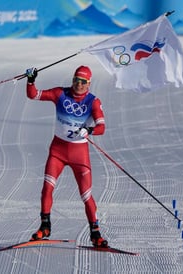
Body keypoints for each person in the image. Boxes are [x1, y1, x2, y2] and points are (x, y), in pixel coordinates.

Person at [25, 65, 108, 248]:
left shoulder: (93, 102)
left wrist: (90, 129)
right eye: (77, 80)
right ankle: (45, 227)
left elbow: (102, 126)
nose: (79, 84)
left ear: (89, 84)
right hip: (58, 152)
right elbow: (33, 95)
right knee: (47, 188)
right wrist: (31, 80)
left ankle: (95, 234)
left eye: (83, 82)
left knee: (86, 195)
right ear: (73, 80)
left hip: (79, 155)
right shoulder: (59, 94)